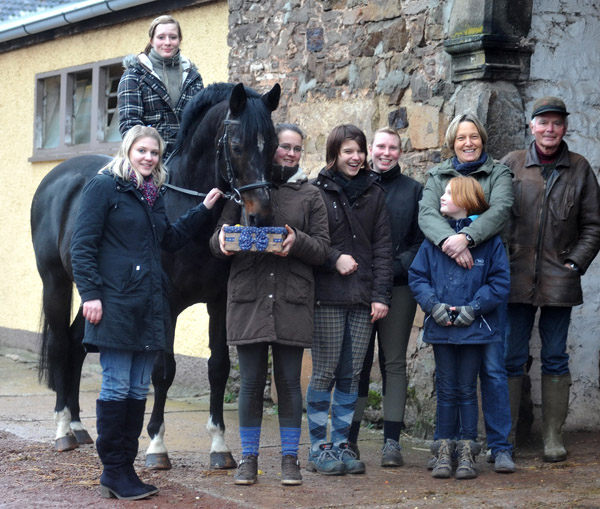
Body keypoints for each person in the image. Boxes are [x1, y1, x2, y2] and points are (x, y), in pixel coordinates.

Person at [70, 126, 222, 500]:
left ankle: (125, 469)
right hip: (117, 303)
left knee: (138, 388)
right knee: (117, 386)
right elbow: (82, 245)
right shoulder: (104, 187)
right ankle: (114, 470)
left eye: (155, 152)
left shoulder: (152, 195)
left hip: (148, 306)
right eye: (142, 151)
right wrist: (90, 294)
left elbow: (168, 240)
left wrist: (203, 211)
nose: (149, 158)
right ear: (128, 150)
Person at [209, 123, 329, 486]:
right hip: (250, 297)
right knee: (250, 383)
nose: (290, 154)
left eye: (297, 148)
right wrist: (225, 243)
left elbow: (323, 248)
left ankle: (290, 460)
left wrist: (297, 241)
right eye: (284, 147)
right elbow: (216, 241)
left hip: (292, 299)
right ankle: (248, 459)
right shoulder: (241, 190)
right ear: (271, 148)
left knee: (290, 384)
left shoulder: (310, 195)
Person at [501, 97, 600, 462]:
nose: (550, 130)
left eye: (557, 123)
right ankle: (505, 436)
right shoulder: (511, 164)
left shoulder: (579, 168)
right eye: (543, 123)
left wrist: (575, 263)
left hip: (560, 281)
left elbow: (593, 225)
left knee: (555, 357)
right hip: (514, 278)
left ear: (565, 128)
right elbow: (493, 214)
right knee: (511, 357)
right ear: (531, 126)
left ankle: (552, 437)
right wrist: (501, 261)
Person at [418, 113, 516, 473]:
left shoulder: (498, 173)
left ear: (483, 139)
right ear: (452, 141)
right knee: (450, 383)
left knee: (492, 370)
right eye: (461, 138)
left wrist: (468, 238)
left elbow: (500, 210)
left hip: (481, 282)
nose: (468, 142)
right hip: (448, 272)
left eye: (474, 136)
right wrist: (449, 241)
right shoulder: (438, 175)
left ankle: (499, 445)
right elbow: (427, 213)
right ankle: (450, 445)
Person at [306, 124, 393, 476]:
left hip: (362, 298)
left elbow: (383, 248)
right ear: (334, 155)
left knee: (352, 374)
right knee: (325, 371)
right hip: (327, 296)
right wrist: (332, 258)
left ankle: (342, 443)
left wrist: (381, 296)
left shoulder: (375, 193)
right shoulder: (317, 193)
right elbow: (310, 242)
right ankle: (317, 448)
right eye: (347, 151)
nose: (355, 157)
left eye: (359, 150)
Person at [348, 127, 423, 467]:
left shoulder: (414, 191)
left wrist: (393, 267)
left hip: (399, 286)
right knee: (357, 363)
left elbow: (421, 241)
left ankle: (391, 442)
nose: (386, 152)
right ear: (369, 150)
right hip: (360, 287)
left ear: (400, 152)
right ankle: (349, 440)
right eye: (380, 146)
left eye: (393, 147)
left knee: (393, 362)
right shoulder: (355, 188)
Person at [118, 15, 204, 161]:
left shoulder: (193, 77)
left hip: (187, 160)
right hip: (149, 160)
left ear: (179, 40)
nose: (167, 42)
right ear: (152, 41)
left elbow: (201, 120)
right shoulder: (134, 75)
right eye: (161, 37)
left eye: (173, 37)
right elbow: (129, 123)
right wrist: (149, 154)